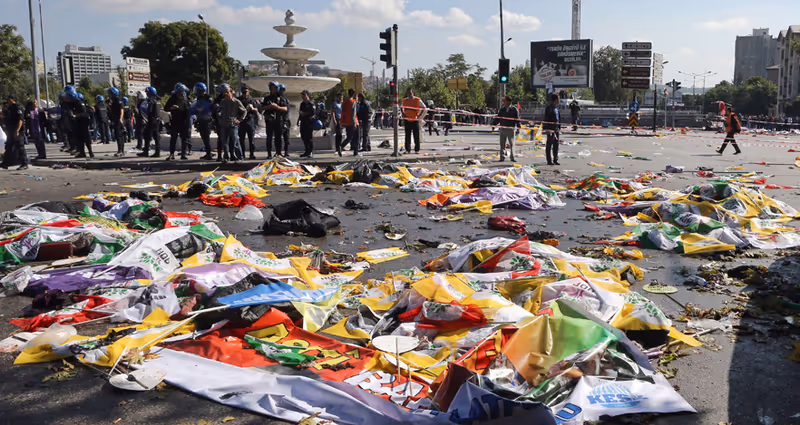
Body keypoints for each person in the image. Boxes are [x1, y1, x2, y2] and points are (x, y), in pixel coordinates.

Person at [216, 83, 246, 164]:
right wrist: (219, 118)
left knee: (235, 141)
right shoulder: (223, 102)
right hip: (224, 124)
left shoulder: (236, 102)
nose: (226, 94)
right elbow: (219, 111)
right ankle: (226, 157)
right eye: (224, 92)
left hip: (233, 124)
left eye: (227, 92)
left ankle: (240, 157)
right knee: (225, 142)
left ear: (231, 92)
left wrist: (239, 120)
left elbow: (244, 111)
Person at [261, 81, 288, 159]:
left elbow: (285, 108)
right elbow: (263, 107)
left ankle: (278, 153)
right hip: (269, 120)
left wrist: (276, 107)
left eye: (274, 88)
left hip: (278, 120)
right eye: (272, 88)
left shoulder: (281, 98)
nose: (273, 89)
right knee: (269, 138)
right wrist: (270, 106)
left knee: (278, 138)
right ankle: (269, 153)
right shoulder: (267, 98)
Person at [165, 83, 191, 160]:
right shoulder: (172, 99)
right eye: (182, 91)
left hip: (184, 121)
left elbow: (189, 108)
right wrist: (171, 108)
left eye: (184, 91)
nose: (183, 93)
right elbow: (166, 108)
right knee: (173, 138)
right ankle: (172, 154)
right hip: (175, 121)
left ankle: (183, 154)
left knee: (184, 138)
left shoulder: (185, 98)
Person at [1, 94, 28, 170]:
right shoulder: (9, 108)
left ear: (13, 99)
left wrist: (17, 130)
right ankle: (6, 163)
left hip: (17, 130)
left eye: (9, 99)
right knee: (9, 146)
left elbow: (20, 120)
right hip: (11, 130)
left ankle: (24, 163)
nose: (7, 101)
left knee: (20, 147)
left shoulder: (17, 107)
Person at [191, 83, 215, 160]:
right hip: (201, 120)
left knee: (206, 137)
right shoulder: (199, 99)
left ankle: (209, 154)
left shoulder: (208, 99)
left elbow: (211, 109)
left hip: (206, 120)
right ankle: (208, 153)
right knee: (204, 138)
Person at [237, 85, 260, 160]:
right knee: (241, 139)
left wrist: (252, 108)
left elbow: (257, 109)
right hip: (242, 121)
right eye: (244, 92)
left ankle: (252, 154)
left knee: (251, 139)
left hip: (250, 120)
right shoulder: (239, 100)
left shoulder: (251, 100)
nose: (245, 93)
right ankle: (242, 154)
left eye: (246, 92)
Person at [139, 86, 162, 158]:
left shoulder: (151, 101)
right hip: (157, 120)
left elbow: (149, 111)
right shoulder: (158, 100)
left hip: (152, 120)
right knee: (156, 137)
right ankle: (157, 152)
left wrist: (146, 119)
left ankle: (146, 152)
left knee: (147, 136)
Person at [496, 95, 520, 162]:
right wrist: (494, 124)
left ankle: (512, 157)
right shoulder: (502, 109)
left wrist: (518, 128)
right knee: (502, 144)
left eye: (505, 101)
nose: (504, 102)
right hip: (503, 128)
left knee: (512, 144)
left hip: (511, 129)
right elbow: (498, 118)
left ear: (508, 101)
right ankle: (502, 157)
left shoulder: (514, 110)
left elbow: (517, 119)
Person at [401, 88, 425, 153]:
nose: (410, 94)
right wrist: (403, 113)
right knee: (407, 135)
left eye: (411, 93)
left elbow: (424, 107)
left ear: (413, 93)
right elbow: (401, 107)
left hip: (415, 119)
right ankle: (407, 149)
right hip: (407, 120)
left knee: (416, 135)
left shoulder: (417, 100)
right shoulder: (404, 100)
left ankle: (417, 149)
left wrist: (419, 115)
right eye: (408, 93)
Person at [72, 92, 95, 159]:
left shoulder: (81, 104)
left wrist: (76, 115)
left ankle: (90, 152)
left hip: (84, 122)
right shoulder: (75, 104)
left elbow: (84, 114)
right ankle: (82, 152)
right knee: (79, 138)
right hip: (79, 122)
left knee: (86, 137)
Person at [340, 89, 360, 156]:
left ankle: (341, 146)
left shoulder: (345, 102)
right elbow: (353, 113)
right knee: (356, 137)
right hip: (354, 122)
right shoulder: (353, 102)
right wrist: (354, 123)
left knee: (349, 137)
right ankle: (356, 152)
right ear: (354, 94)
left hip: (346, 122)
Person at [543, 93, 561, 165]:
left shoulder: (556, 108)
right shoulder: (549, 108)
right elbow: (546, 119)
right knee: (549, 144)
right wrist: (547, 128)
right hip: (550, 129)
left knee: (556, 144)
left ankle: (555, 159)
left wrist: (558, 127)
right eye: (558, 99)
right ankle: (549, 160)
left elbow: (558, 119)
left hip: (556, 129)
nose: (559, 100)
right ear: (555, 99)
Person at [107, 87, 125, 157]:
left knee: (119, 136)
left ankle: (120, 151)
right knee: (119, 136)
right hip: (116, 119)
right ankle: (121, 151)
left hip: (118, 120)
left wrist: (120, 118)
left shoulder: (118, 100)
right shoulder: (114, 100)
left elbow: (121, 110)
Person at [298, 90, 316, 158]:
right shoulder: (302, 104)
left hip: (309, 122)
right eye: (302, 95)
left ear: (307, 95)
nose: (303, 96)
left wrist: (305, 114)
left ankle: (310, 151)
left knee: (309, 138)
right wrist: (298, 120)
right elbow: (300, 112)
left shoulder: (311, 104)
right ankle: (306, 151)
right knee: (303, 137)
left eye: (304, 95)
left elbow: (314, 113)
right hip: (303, 122)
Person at [278, 84, 291, 157]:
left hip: (286, 120)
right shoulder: (277, 99)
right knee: (279, 138)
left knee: (287, 138)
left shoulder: (286, 99)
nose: (282, 91)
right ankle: (279, 152)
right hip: (280, 120)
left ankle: (286, 151)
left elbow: (287, 109)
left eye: (283, 90)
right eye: (281, 90)